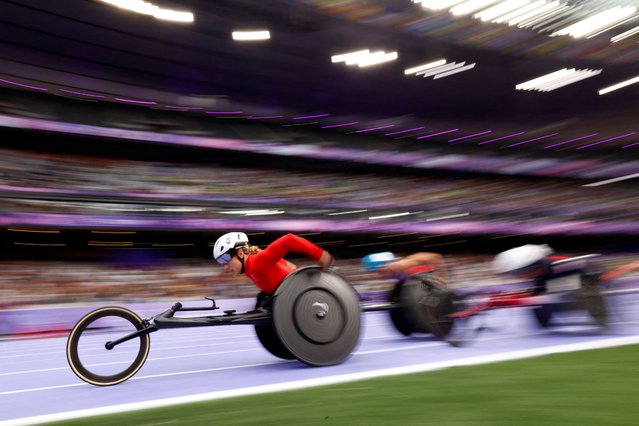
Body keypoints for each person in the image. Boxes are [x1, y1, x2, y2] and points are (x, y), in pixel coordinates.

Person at [213, 231, 334, 296]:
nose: (225, 267)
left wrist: (321, 254)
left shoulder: (258, 261)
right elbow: (286, 265)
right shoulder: (250, 264)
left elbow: (289, 240)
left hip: (300, 295)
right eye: (220, 262)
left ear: (240, 253)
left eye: (225, 260)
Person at [362, 251, 449, 288]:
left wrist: (441, 275)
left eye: (378, 272)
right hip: (419, 279)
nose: (377, 276)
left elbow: (435, 257)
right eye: (375, 272)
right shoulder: (397, 272)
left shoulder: (405, 265)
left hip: (429, 274)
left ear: (385, 266)